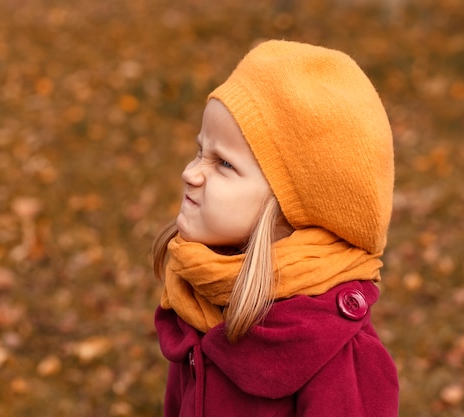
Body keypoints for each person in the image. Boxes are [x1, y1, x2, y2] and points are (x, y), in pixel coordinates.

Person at [152, 39, 399, 417]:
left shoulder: (337, 353)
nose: (190, 172)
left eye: (224, 164)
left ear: (291, 208)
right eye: (201, 150)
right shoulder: (200, 290)